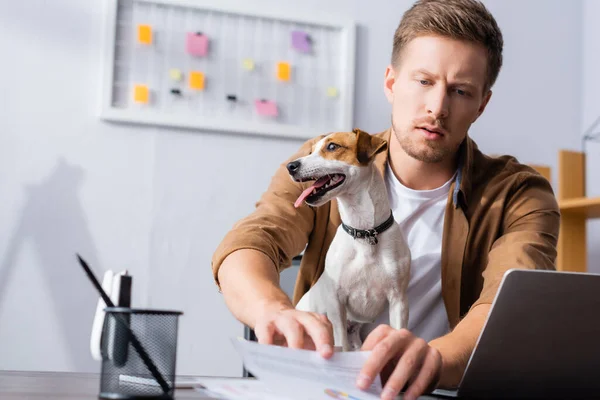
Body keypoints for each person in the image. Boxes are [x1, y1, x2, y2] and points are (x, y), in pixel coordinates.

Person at [211, 0, 560, 399]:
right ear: (392, 83)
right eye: (424, 81)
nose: (437, 108)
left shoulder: (519, 193)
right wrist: (272, 310)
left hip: (436, 392)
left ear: (481, 104)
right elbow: (251, 241)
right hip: (326, 388)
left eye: (460, 91)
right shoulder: (326, 161)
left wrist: (433, 360)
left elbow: (506, 305)